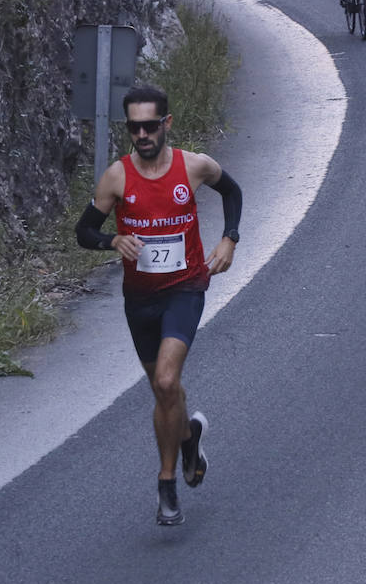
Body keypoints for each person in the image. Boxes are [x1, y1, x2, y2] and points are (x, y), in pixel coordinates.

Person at [74, 84, 242, 526]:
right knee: (162, 392)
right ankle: (188, 437)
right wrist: (113, 239)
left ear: (166, 124)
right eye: (134, 127)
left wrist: (230, 238)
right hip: (140, 299)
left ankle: (167, 483)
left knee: (168, 381)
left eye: (150, 125)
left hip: (186, 288)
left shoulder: (194, 167)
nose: (143, 134)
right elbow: (83, 232)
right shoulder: (117, 177)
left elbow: (233, 193)